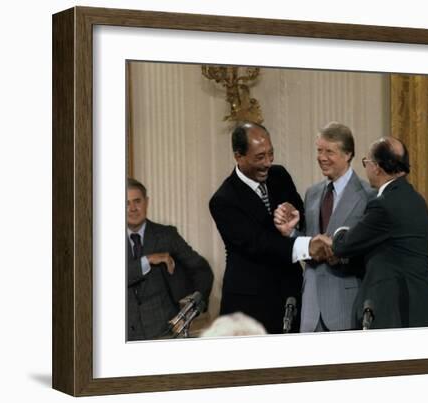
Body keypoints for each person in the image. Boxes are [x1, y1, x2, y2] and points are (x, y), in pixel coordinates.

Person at [324, 136, 428, 329]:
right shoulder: (418, 200)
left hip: (396, 310)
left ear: (377, 167)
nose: (366, 168)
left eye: (366, 162)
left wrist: (338, 233)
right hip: (423, 307)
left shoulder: (384, 205)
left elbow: (343, 245)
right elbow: (389, 251)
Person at [273, 122, 375, 332]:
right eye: (319, 150)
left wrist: (340, 254)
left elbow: (370, 251)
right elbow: (311, 244)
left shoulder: (367, 195)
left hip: (344, 304)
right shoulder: (313, 193)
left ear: (348, 154)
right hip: (310, 307)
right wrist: (291, 232)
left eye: (329, 151)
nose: (321, 157)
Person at [209, 122, 304, 334]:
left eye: (271, 154)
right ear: (238, 156)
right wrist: (307, 246)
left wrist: (294, 216)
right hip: (250, 303)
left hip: (291, 293)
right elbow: (257, 244)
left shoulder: (279, 176)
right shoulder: (223, 200)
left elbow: (302, 216)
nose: (268, 163)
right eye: (260, 157)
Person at [127, 178, 214, 341]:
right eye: (126, 203)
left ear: (146, 202)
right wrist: (147, 260)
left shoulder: (167, 236)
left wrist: (194, 306)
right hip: (122, 337)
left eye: (137, 201)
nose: (132, 208)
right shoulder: (104, 240)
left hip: (165, 332)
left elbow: (201, 268)